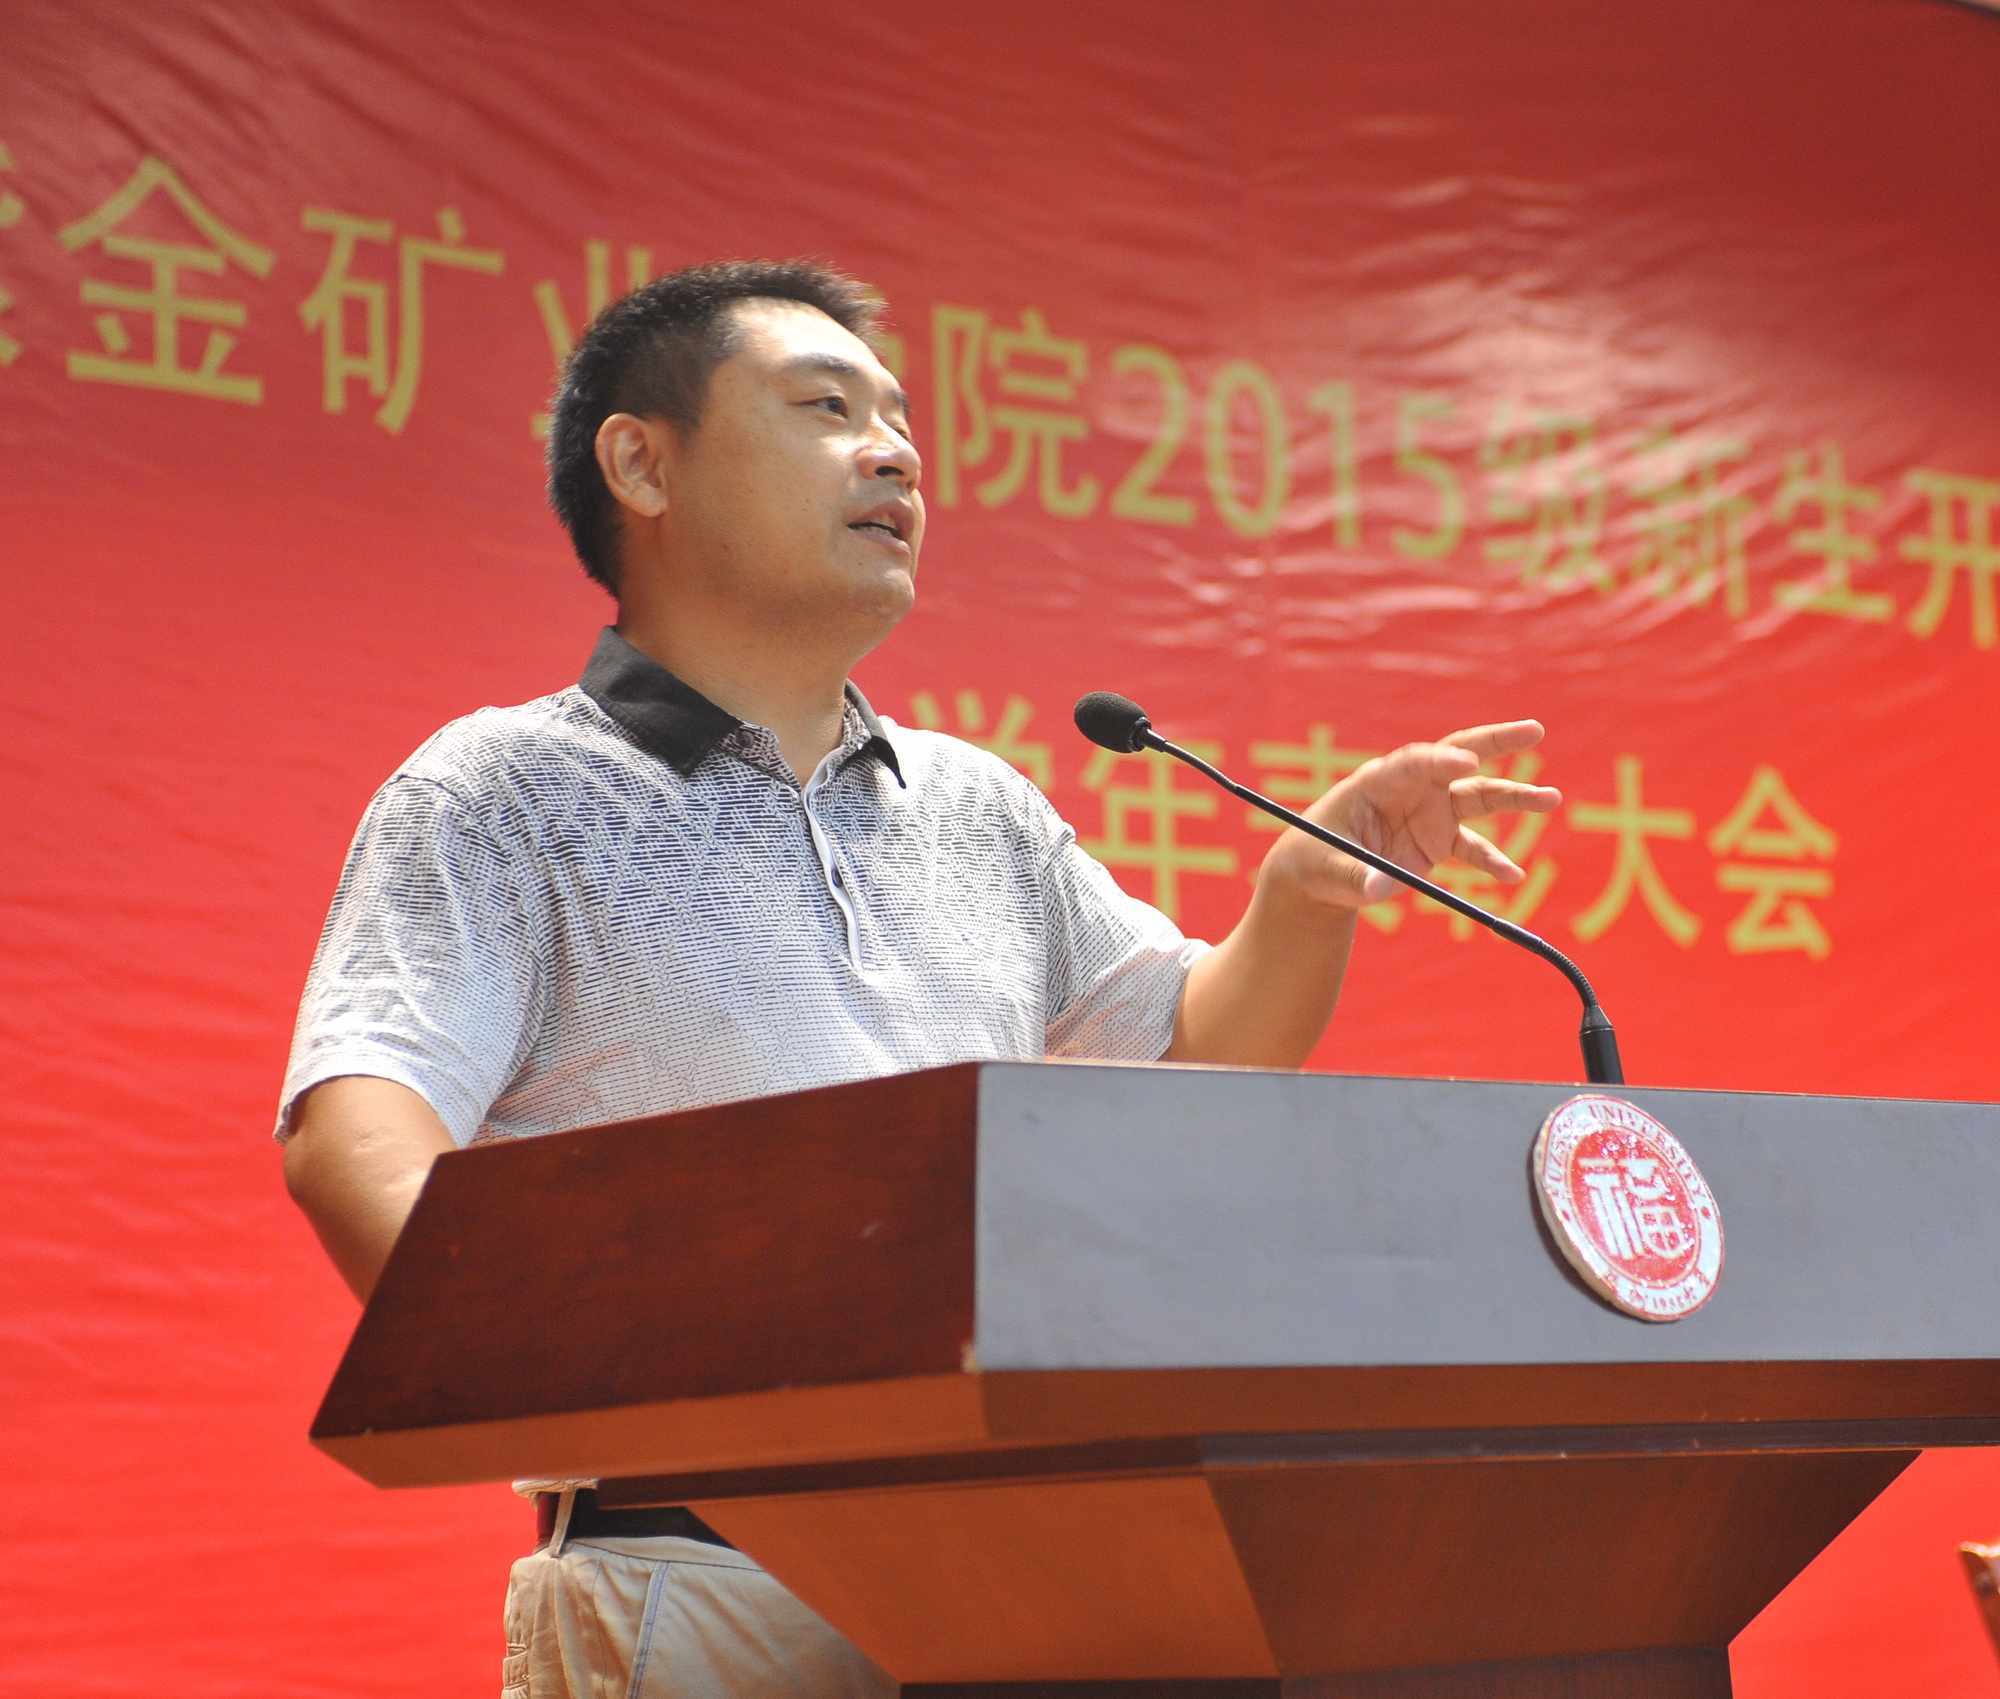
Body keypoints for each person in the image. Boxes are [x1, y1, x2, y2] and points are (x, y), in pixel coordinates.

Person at [275, 260, 1561, 1699]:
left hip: (1021, 1580)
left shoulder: (974, 806)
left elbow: (1190, 1061)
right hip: (705, 1575)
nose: (894, 454)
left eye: (898, 420)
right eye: (823, 409)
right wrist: (601, 1383)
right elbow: (357, 1128)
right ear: (641, 464)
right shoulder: (507, 791)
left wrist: (1300, 899)